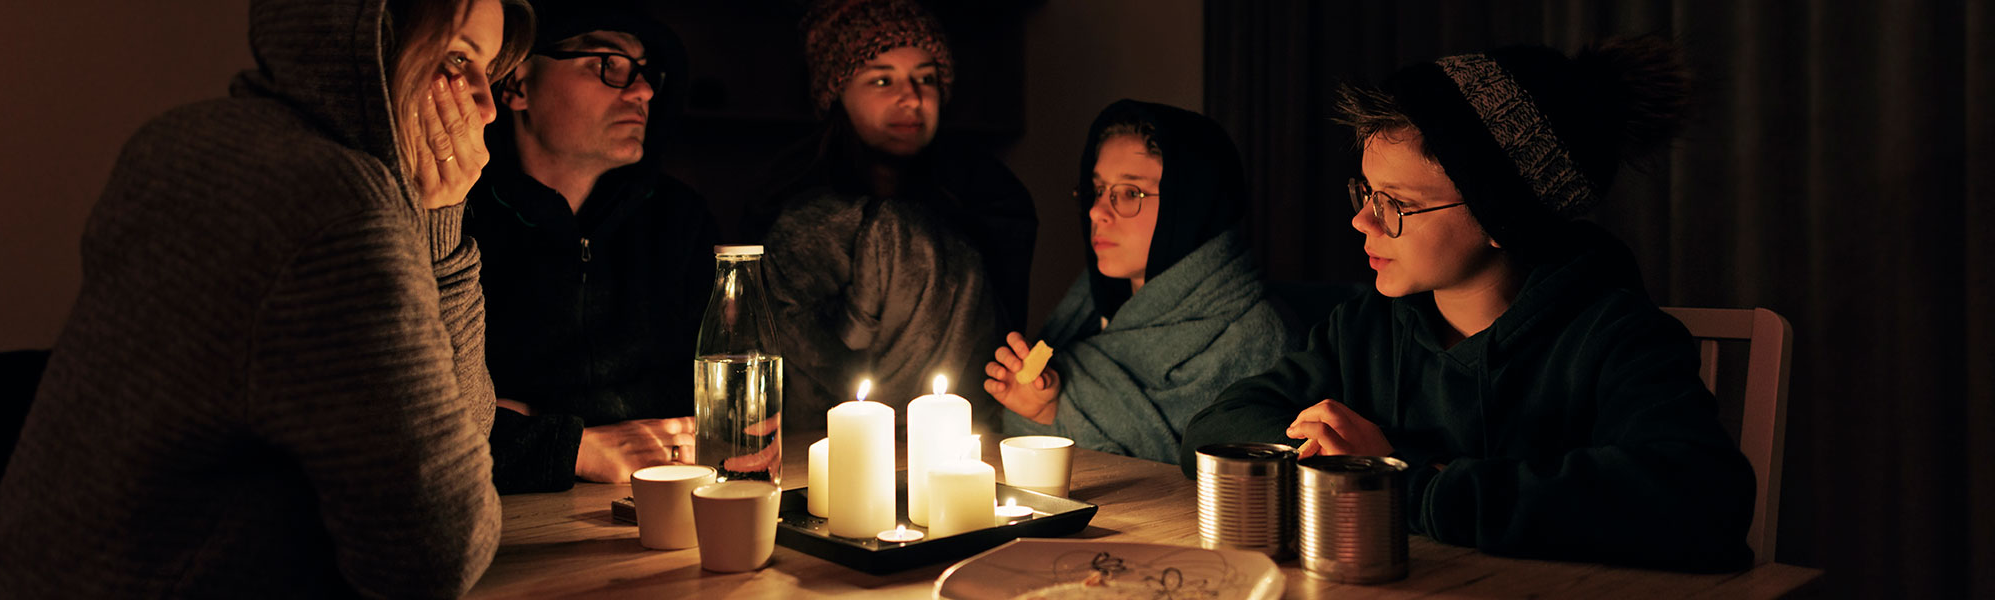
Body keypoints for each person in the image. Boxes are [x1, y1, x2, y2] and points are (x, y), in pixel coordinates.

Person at [0, 0, 532, 595]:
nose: (485, 104)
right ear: (367, 38)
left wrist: (437, 219)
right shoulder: (335, 209)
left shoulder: (176, 139)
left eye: (489, 72)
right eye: (458, 60)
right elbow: (437, 555)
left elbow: (459, 435)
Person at [1179, 37, 1757, 572]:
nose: (1361, 222)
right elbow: (1217, 427)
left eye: (1396, 203)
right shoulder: (1366, 328)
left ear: (1505, 217)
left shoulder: (1616, 338)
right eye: (1365, 192)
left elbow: (1703, 498)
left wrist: (1401, 480)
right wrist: (1326, 455)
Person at [751, 0, 1036, 431]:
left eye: (926, 78)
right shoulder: (788, 200)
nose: (913, 97)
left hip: (949, 436)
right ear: (837, 93)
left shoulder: (988, 196)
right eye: (882, 80)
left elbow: (995, 339)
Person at [464, 2, 714, 492]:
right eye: (610, 65)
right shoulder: (458, 223)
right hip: (510, 526)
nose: (642, 90)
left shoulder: (680, 221)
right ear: (517, 84)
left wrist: (532, 416)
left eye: (644, 72)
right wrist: (570, 448)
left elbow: (704, 398)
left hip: (659, 503)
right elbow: (430, 424)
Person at [982, 100, 1293, 464]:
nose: (1097, 211)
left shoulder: (1259, 339)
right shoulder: (1086, 310)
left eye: (1130, 193)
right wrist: (1040, 411)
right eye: (1097, 190)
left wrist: (1060, 413)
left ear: (1190, 206)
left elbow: (1206, 481)